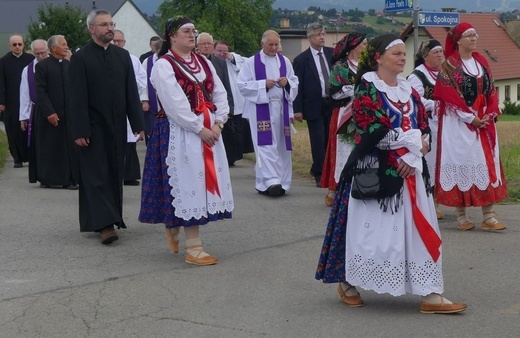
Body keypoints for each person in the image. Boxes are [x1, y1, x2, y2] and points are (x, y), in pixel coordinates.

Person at [315, 34, 467, 314]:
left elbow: (424, 126)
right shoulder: (367, 88)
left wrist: (413, 153)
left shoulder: (409, 90)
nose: (402, 57)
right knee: (371, 235)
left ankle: (430, 293)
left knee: (418, 231)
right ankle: (349, 281)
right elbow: (370, 128)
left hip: (410, 171)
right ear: (378, 58)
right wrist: (410, 144)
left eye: (403, 54)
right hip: (377, 171)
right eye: (396, 53)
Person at [138, 16, 234, 266]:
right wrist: (199, 128)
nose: (192, 35)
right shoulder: (163, 65)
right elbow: (174, 105)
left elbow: (220, 93)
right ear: (172, 36)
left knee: (201, 182)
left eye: (194, 31)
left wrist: (218, 122)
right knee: (188, 183)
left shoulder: (203, 61)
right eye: (186, 31)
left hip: (208, 130)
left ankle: (176, 225)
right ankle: (194, 249)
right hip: (177, 132)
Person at [69, 9, 145, 244]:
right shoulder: (81, 58)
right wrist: (80, 130)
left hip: (116, 126)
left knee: (113, 173)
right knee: (96, 175)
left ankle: (108, 219)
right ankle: (105, 226)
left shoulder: (122, 57)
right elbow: (76, 97)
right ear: (92, 29)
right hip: (92, 128)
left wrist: (138, 124)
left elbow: (131, 93)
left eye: (111, 24)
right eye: (104, 25)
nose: (110, 28)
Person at [433, 22, 508, 231]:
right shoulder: (449, 66)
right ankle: (461, 216)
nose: (474, 38)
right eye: (469, 35)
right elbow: (448, 98)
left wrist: (490, 113)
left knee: (486, 164)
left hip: (483, 122)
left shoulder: (482, 62)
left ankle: (489, 216)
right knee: (462, 163)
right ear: (458, 40)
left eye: (475, 34)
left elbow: (492, 90)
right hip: (458, 124)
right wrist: (469, 118)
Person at [238, 30, 298, 197]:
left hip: (281, 109)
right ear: (262, 43)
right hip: (261, 109)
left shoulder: (285, 62)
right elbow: (242, 85)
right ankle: (271, 181)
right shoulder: (251, 63)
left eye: (276, 44)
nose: (273, 48)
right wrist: (263, 84)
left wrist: (287, 83)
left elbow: (294, 82)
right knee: (265, 146)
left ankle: (281, 182)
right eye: (270, 44)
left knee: (281, 146)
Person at [320, 32, 367, 207]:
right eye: (364, 43)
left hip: (361, 112)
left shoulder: (365, 66)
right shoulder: (341, 66)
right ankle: (334, 188)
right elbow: (334, 90)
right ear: (354, 46)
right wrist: (355, 89)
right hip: (343, 112)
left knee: (358, 148)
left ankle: (356, 185)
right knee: (342, 148)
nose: (366, 46)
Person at [33, 35, 79, 189]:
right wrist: (49, 112)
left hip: (68, 115)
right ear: (53, 48)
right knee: (51, 147)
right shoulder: (42, 66)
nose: (66, 47)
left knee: (69, 147)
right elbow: (40, 91)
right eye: (63, 44)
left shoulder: (68, 65)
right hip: (50, 115)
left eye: (66, 44)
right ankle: (48, 178)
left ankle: (69, 179)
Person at [407, 39, 445, 219]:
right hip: (428, 124)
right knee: (430, 160)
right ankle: (430, 202)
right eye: (435, 52)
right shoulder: (418, 75)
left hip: (445, 124)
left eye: (441, 52)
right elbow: (414, 99)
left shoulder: (446, 73)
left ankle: (438, 198)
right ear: (425, 56)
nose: (440, 55)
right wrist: (435, 104)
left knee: (442, 160)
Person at [293, 23, 334, 187]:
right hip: (313, 105)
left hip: (331, 104)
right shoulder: (301, 59)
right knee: (317, 140)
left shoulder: (332, 54)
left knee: (329, 139)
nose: (322, 37)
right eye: (318, 34)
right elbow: (298, 85)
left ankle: (328, 170)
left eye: (323, 34)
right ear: (310, 37)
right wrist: (297, 110)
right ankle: (319, 173)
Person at [113, 29, 147, 186]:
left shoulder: (132, 59)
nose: (117, 43)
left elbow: (142, 79)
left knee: (129, 140)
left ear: (124, 42)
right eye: (115, 41)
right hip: (111, 105)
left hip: (128, 103)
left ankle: (129, 175)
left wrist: (129, 87)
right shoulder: (104, 57)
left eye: (120, 41)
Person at [213, 40, 254, 166]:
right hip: (219, 101)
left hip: (235, 102)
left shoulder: (233, 61)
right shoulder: (211, 63)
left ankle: (232, 157)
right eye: (219, 51)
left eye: (224, 51)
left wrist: (233, 57)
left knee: (234, 134)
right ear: (214, 51)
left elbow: (249, 62)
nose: (222, 53)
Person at [0, 34, 35, 168]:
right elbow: (1, 83)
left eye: (19, 44)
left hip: (29, 99)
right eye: (14, 44)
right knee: (13, 128)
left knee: (29, 127)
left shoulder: (30, 59)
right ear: (10, 46)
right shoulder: (3, 61)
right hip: (12, 100)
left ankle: (29, 154)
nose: (17, 47)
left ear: (23, 45)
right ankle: (17, 157)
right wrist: (1, 102)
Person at [19, 39, 48, 183]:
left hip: (55, 111)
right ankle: (42, 175)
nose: (41, 56)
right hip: (36, 110)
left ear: (48, 51)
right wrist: (23, 116)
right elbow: (24, 94)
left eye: (43, 52)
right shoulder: (28, 70)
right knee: (40, 146)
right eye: (37, 54)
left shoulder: (56, 65)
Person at [140, 38, 162, 144]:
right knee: (151, 133)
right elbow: (143, 82)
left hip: (167, 106)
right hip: (152, 105)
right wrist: (144, 100)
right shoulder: (147, 61)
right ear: (156, 50)